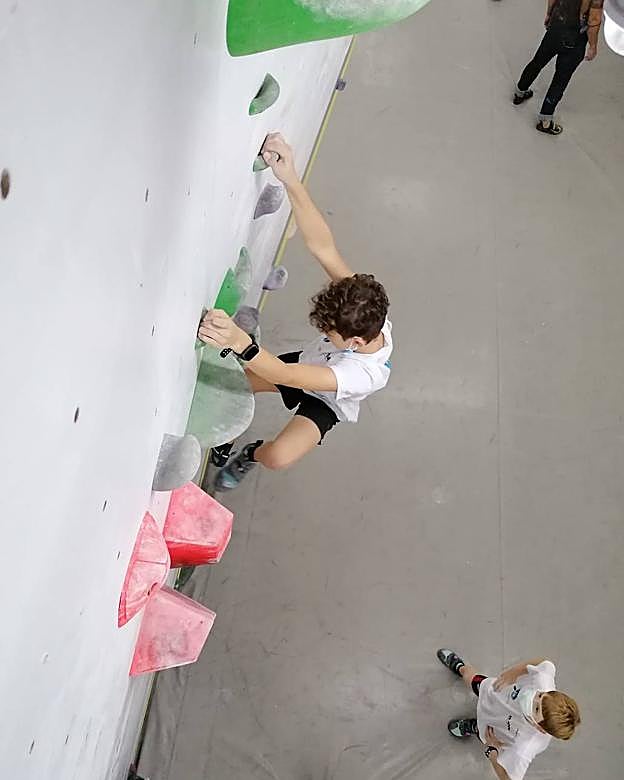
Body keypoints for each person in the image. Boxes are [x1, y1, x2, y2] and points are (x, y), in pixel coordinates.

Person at [197, 133, 392, 491]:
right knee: (239, 386)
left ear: (355, 341)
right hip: (309, 363)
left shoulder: (360, 374)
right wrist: (290, 178)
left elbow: (286, 373)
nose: (325, 331)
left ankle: (251, 453)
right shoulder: (363, 304)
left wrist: (238, 340)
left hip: (326, 397)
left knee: (278, 458)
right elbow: (323, 245)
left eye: (331, 332)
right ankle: (229, 430)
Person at [436, 649, 580, 780]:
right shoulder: (542, 682)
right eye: (540, 695)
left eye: (536, 709)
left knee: (483, 732)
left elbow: (508, 778)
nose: (533, 697)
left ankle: (473, 727)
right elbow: (544, 663)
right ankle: (459, 667)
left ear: (540, 728)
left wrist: (492, 751)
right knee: (470, 676)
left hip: (494, 729)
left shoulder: (526, 746)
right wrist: (515, 672)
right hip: (494, 692)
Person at [513, 0, 604, 135]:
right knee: (561, 79)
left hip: (556, 26)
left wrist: (549, 14)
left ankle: (520, 91)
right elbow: (594, 18)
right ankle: (545, 120)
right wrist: (593, 45)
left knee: (538, 61)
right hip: (574, 38)